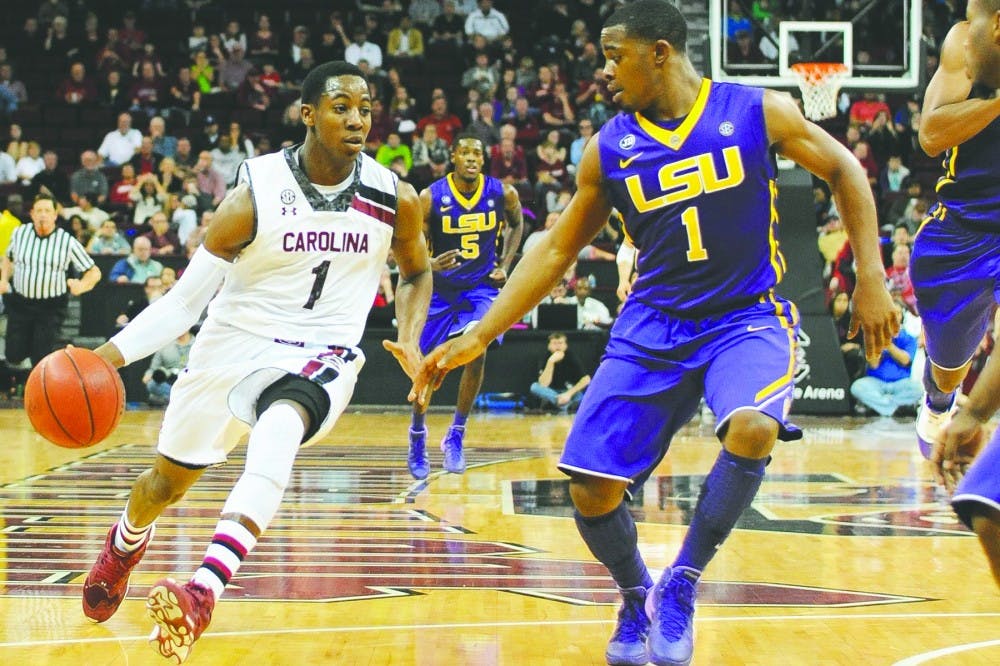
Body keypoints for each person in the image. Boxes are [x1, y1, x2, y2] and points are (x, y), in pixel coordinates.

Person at [409, 3, 898, 665]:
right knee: (590, 489)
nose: (605, 71)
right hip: (653, 322)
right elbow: (555, 250)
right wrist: (480, 334)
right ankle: (637, 593)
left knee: (753, 426)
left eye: (616, 56)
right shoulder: (608, 148)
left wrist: (872, 277)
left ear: (659, 52)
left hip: (744, 316)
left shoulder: (757, 110)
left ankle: (682, 583)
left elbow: (845, 170)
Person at [79, 61, 431, 664]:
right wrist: (103, 360)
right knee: (162, 486)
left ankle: (201, 593)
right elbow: (186, 301)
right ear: (308, 115)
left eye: (365, 109)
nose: (357, 120)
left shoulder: (393, 196)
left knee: (279, 428)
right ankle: (125, 543)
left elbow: (417, 270)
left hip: (323, 350)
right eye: (341, 107)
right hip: (234, 344)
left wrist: (410, 335)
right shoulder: (255, 194)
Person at [917, 1, 1000, 593]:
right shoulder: (962, 44)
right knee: (950, 366)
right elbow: (930, 135)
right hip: (963, 228)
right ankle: (940, 397)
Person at [406, 133, 523, 479]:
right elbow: (410, 242)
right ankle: (417, 434)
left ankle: (456, 434)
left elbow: (517, 223)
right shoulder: (430, 197)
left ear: (483, 160)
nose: (471, 158)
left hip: (480, 288)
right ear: (453, 157)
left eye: (477, 154)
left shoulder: (502, 193)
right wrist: (428, 263)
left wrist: (506, 263)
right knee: (425, 366)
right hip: (440, 290)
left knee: (477, 348)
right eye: (465, 153)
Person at [0, 193, 101, 368]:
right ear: (32, 214)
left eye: (47, 211)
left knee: (41, 356)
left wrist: (82, 285)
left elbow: (94, 271)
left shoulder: (66, 241)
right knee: (13, 354)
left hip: (50, 307)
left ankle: (40, 381)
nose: (43, 215)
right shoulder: (20, 233)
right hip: (21, 303)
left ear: (55, 215)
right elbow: (8, 258)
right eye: (39, 211)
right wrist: (3, 279)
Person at [849, 299, 921, 417]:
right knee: (857, 387)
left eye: (897, 313)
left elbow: (905, 360)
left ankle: (881, 406)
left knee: (918, 389)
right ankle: (893, 409)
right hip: (876, 382)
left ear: (902, 316)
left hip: (901, 383)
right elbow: (873, 364)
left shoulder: (909, 338)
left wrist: (888, 344)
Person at [530, 331, 591, 412]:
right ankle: (566, 406)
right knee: (534, 387)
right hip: (550, 391)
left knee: (580, 396)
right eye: (554, 343)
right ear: (549, 346)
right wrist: (551, 362)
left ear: (566, 345)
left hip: (568, 390)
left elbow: (586, 379)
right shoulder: (545, 357)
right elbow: (544, 384)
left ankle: (558, 405)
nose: (558, 346)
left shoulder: (571, 356)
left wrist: (568, 394)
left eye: (560, 343)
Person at [144, 327, 195, 406]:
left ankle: (172, 399)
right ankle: (182, 399)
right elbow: (153, 368)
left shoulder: (199, 343)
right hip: (169, 380)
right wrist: (148, 374)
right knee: (152, 385)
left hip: (191, 380)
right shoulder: (165, 345)